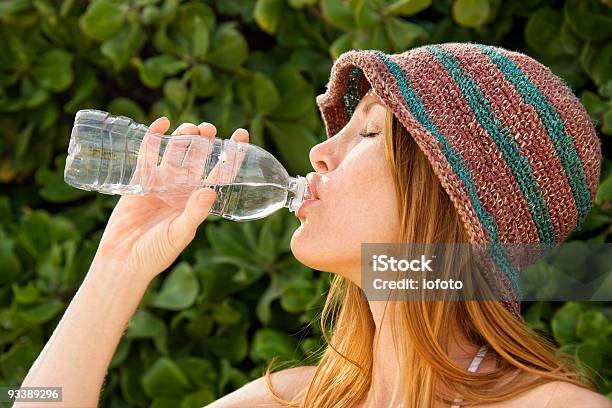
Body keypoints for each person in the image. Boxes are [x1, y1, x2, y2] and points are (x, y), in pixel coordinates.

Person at [15, 43, 611, 408]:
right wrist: (118, 265)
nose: (319, 154)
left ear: (457, 198)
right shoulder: (294, 400)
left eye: (370, 132)